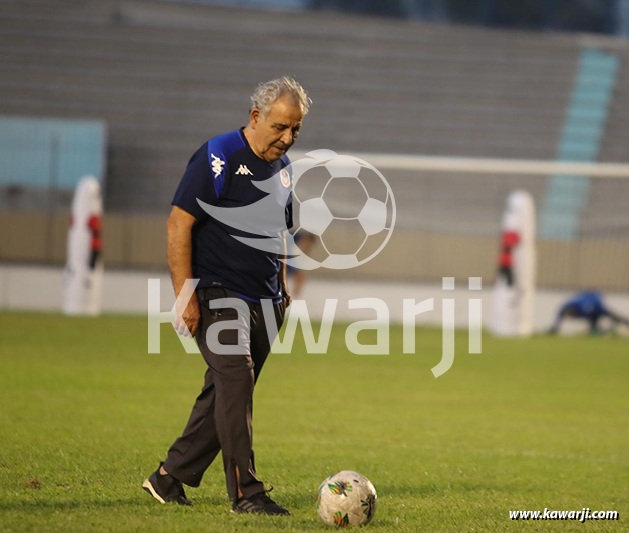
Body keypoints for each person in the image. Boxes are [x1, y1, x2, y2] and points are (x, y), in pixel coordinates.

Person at [142, 77, 310, 515]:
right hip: (218, 294)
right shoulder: (216, 156)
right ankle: (247, 494)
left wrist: (284, 286)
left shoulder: (286, 168)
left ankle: (167, 478)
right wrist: (185, 296)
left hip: (266, 302)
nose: (286, 137)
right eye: (279, 127)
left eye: (295, 129)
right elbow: (178, 225)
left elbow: (280, 232)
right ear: (255, 117)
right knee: (236, 381)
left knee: (224, 393)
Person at [548, 291, 629, 335]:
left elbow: (594, 312)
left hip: (598, 308)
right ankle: (597, 331)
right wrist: (555, 327)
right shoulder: (566, 306)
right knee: (596, 326)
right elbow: (560, 314)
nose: (572, 318)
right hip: (594, 309)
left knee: (615, 317)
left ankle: (622, 325)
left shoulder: (583, 306)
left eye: (571, 316)